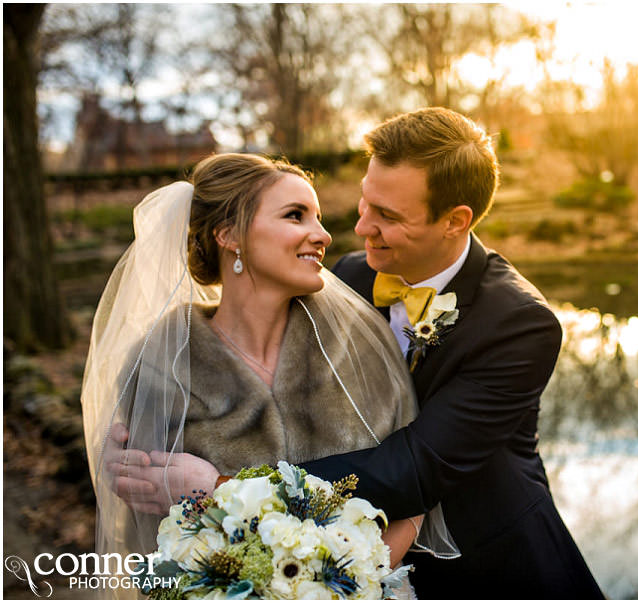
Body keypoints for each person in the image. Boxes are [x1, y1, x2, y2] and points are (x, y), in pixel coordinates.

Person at [111, 109, 603, 598]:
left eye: (387, 216)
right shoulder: (345, 279)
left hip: (490, 561)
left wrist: (224, 486)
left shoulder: (519, 324)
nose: (360, 226)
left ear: (455, 221)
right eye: (366, 203)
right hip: (326, 561)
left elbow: (416, 468)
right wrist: (139, 445)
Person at [82, 153, 457, 597]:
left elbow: (412, 499)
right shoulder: (160, 366)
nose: (322, 234)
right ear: (229, 235)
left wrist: (338, 587)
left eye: (317, 217)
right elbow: (150, 540)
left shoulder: (356, 345)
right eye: (295, 215)